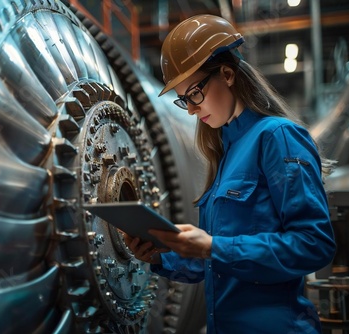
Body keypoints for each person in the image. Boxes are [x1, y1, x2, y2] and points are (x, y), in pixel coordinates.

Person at [123, 14, 336, 333]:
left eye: (194, 93)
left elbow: (313, 244)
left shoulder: (277, 137)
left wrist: (212, 246)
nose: (192, 109)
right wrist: (160, 256)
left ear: (226, 73)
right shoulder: (225, 153)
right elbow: (218, 265)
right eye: (184, 100)